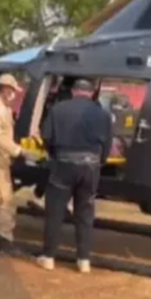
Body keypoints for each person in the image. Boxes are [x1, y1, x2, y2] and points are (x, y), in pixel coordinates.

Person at [36, 78, 113, 273]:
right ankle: (83, 260)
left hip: (63, 165)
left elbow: (46, 137)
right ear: (91, 93)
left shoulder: (58, 109)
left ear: (73, 91)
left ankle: (48, 257)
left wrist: (54, 155)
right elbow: (107, 146)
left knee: (55, 212)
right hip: (90, 169)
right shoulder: (102, 114)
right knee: (85, 214)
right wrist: (99, 162)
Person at [0, 73, 35, 256]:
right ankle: (5, 240)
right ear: (5, 89)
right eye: (13, 91)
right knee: (5, 201)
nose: (15, 95)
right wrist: (18, 151)